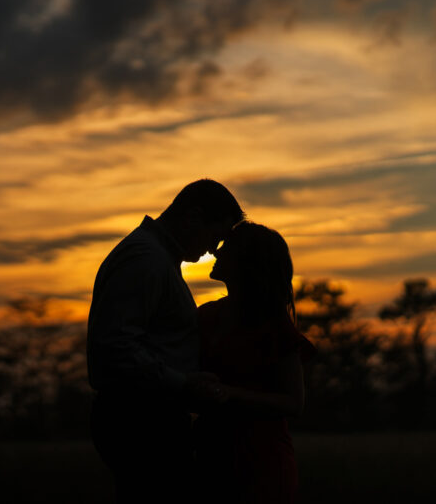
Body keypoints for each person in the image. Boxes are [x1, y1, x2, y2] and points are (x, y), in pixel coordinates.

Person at [87, 179, 245, 502]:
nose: (214, 249)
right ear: (193, 218)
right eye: (215, 236)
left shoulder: (156, 259)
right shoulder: (146, 260)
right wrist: (183, 384)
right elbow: (116, 346)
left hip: (149, 419)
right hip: (141, 424)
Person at [195, 221, 316, 504]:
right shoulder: (206, 316)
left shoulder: (274, 327)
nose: (215, 253)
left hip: (261, 465)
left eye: (226, 248)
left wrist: (230, 394)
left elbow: (293, 402)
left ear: (245, 261)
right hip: (212, 459)